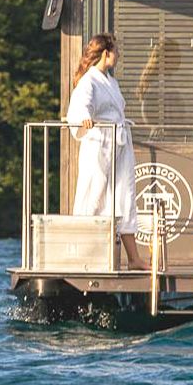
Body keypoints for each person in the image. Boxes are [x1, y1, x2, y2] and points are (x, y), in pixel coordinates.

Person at [66, 34, 149, 269]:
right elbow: (80, 105)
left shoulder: (111, 81)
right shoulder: (89, 82)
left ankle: (133, 259)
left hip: (119, 145)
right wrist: (84, 118)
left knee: (124, 196)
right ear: (106, 53)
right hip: (98, 145)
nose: (119, 55)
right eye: (116, 51)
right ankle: (81, 255)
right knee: (92, 197)